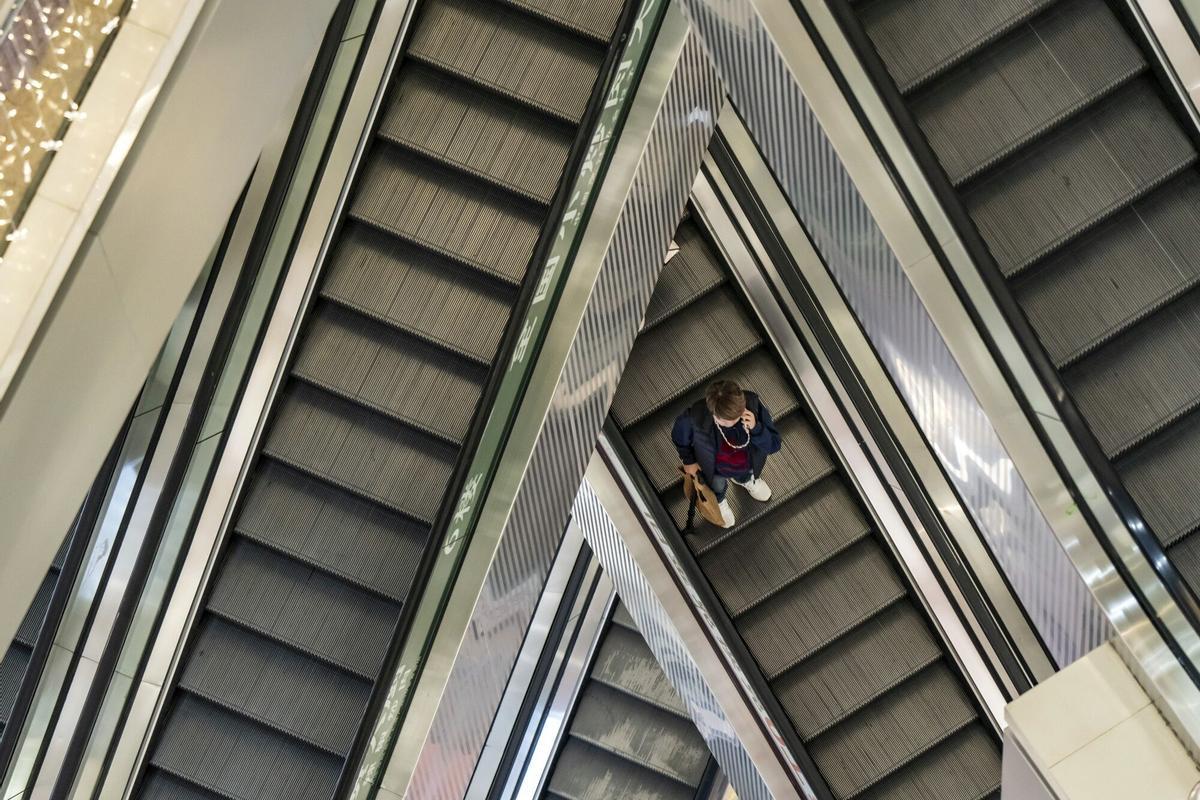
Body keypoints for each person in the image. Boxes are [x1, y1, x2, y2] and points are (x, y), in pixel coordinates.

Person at [671, 379, 782, 528]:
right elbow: (679, 436)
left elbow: (774, 445)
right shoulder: (693, 418)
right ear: (713, 412)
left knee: (746, 473)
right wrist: (689, 461)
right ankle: (720, 499)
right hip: (715, 468)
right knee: (717, 486)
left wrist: (756, 428)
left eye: (737, 417)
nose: (732, 423)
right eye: (725, 420)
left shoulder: (753, 403)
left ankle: (745, 480)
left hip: (745, 462)